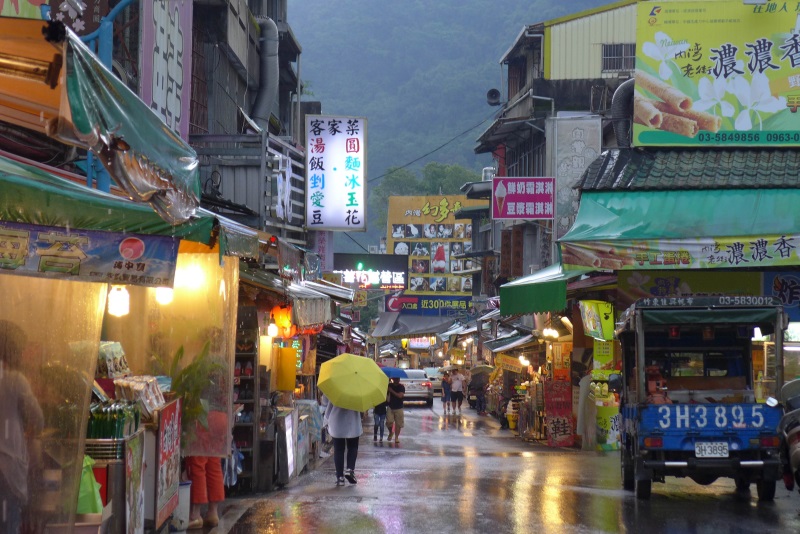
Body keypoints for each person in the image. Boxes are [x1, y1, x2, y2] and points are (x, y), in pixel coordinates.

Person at [0, 320, 44, 534]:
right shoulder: (15, 380)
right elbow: (38, 418)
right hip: (8, 468)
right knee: (8, 525)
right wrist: (31, 432)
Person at [322, 394, 363, 485]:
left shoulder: (334, 387)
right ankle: (350, 469)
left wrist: (326, 420)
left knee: (338, 449)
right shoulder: (357, 388)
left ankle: (340, 477)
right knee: (353, 447)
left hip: (336, 421)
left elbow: (325, 402)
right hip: (353, 421)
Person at [386, 376, 405, 444]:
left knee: (398, 424)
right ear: (393, 379)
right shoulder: (389, 385)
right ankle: (391, 432)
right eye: (396, 378)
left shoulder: (401, 387)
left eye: (398, 378)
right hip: (390, 407)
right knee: (389, 422)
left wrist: (392, 391)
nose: (397, 380)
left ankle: (396, 437)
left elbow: (400, 395)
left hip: (399, 407)